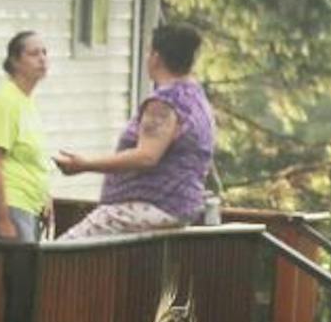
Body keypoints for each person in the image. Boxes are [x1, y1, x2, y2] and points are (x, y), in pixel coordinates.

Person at [53, 22, 214, 239]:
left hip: (152, 204)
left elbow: (147, 156)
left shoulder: (165, 103)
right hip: (177, 206)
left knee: (61, 254)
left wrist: (84, 165)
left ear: (156, 57)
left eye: (149, 51)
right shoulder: (195, 96)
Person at [0, 30, 52, 241]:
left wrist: (44, 196)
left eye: (45, 52)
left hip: (28, 204)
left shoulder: (26, 102)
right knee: (22, 272)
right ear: (15, 62)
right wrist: (3, 219)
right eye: (34, 53)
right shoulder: (5, 101)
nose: (42, 59)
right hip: (10, 203)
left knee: (30, 271)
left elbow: (30, 158)